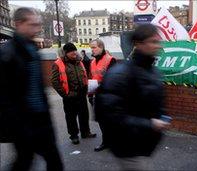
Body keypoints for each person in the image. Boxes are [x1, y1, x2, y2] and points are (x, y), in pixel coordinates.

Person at [94, 24, 170, 170]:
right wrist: (150, 124)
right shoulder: (120, 74)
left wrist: (163, 116)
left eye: (159, 41)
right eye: (153, 42)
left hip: (143, 144)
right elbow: (110, 115)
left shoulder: (152, 70)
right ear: (139, 44)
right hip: (128, 148)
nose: (158, 46)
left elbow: (154, 101)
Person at [0, 7, 63, 171]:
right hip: (22, 122)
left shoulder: (32, 49)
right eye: (33, 24)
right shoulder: (7, 53)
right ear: (19, 24)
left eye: (39, 24)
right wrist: (15, 125)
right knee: (24, 161)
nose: (38, 29)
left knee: (53, 161)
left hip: (41, 119)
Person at [51, 42, 96, 145]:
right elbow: (55, 81)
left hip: (81, 93)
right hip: (69, 95)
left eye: (75, 50)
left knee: (84, 114)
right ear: (66, 53)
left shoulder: (79, 61)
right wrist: (65, 94)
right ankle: (74, 135)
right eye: (71, 51)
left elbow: (84, 75)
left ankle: (85, 132)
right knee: (71, 116)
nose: (74, 53)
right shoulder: (58, 63)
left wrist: (86, 88)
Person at [89, 39, 116, 152]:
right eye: (91, 48)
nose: (92, 50)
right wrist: (90, 94)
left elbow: (114, 80)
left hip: (109, 95)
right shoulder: (92, 62)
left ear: (101, 47)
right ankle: (106, 142)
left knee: (110, 121)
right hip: (97, 95)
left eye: (94, 47)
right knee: (101, 121)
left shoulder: (110, 60)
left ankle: (113, 142)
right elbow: (92, 78)